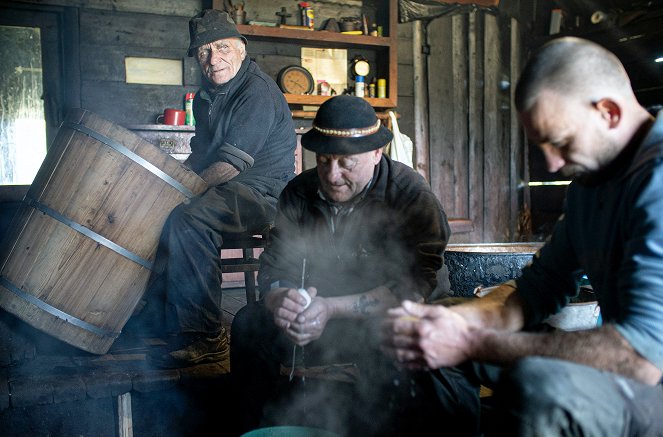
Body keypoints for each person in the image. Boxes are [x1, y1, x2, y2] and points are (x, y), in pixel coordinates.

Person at [382, 36, 663, 435]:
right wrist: (453, 323)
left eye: (561, 142)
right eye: (541, 145)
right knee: (431, 338)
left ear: (610, 112)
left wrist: (470, 343)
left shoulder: (657, 181)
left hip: (649, 376)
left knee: (544, 385)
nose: (551, 164)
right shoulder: (593, 182)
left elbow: (641, 356)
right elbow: (539, 288)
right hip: (634, 366)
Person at [230, 95, 481, 436]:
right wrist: (283, 301)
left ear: (377, 154)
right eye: (324, 160)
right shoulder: (299, 193)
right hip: (321, 318)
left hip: (394, 317)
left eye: (347, 163)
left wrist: (330, 308)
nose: (332, 175)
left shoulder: (409, 195)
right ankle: (263, 428)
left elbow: (415, 286)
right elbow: (278, 263)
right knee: (249, 324)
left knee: (401, 351)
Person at [125, 9, 296, 367]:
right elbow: (202, 157)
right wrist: (167, 181)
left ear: (242, 48)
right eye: (203, 52)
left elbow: (231, 165)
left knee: (190, 219)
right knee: (164, 212)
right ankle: (157, 314)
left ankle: (207, 335)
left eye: (221, 48)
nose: (213, 59)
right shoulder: (207, 97)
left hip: (262, 194)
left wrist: (182, 190)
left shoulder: (256, 92)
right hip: (227, 189)